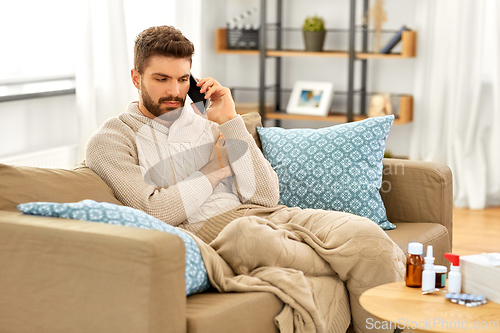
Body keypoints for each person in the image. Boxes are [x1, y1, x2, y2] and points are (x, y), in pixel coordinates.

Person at [86, 25, 405, 333]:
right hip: (223, 237)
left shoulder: (204, 122)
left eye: (183, 79)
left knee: (370, 239)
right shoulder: (113, 138)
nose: (175, 91)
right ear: (135, 77)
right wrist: (214, 170)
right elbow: (155, 210)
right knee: (251, 236)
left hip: (275, 217)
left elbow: (267, 196)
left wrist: (229, 119)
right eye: (161, 79)